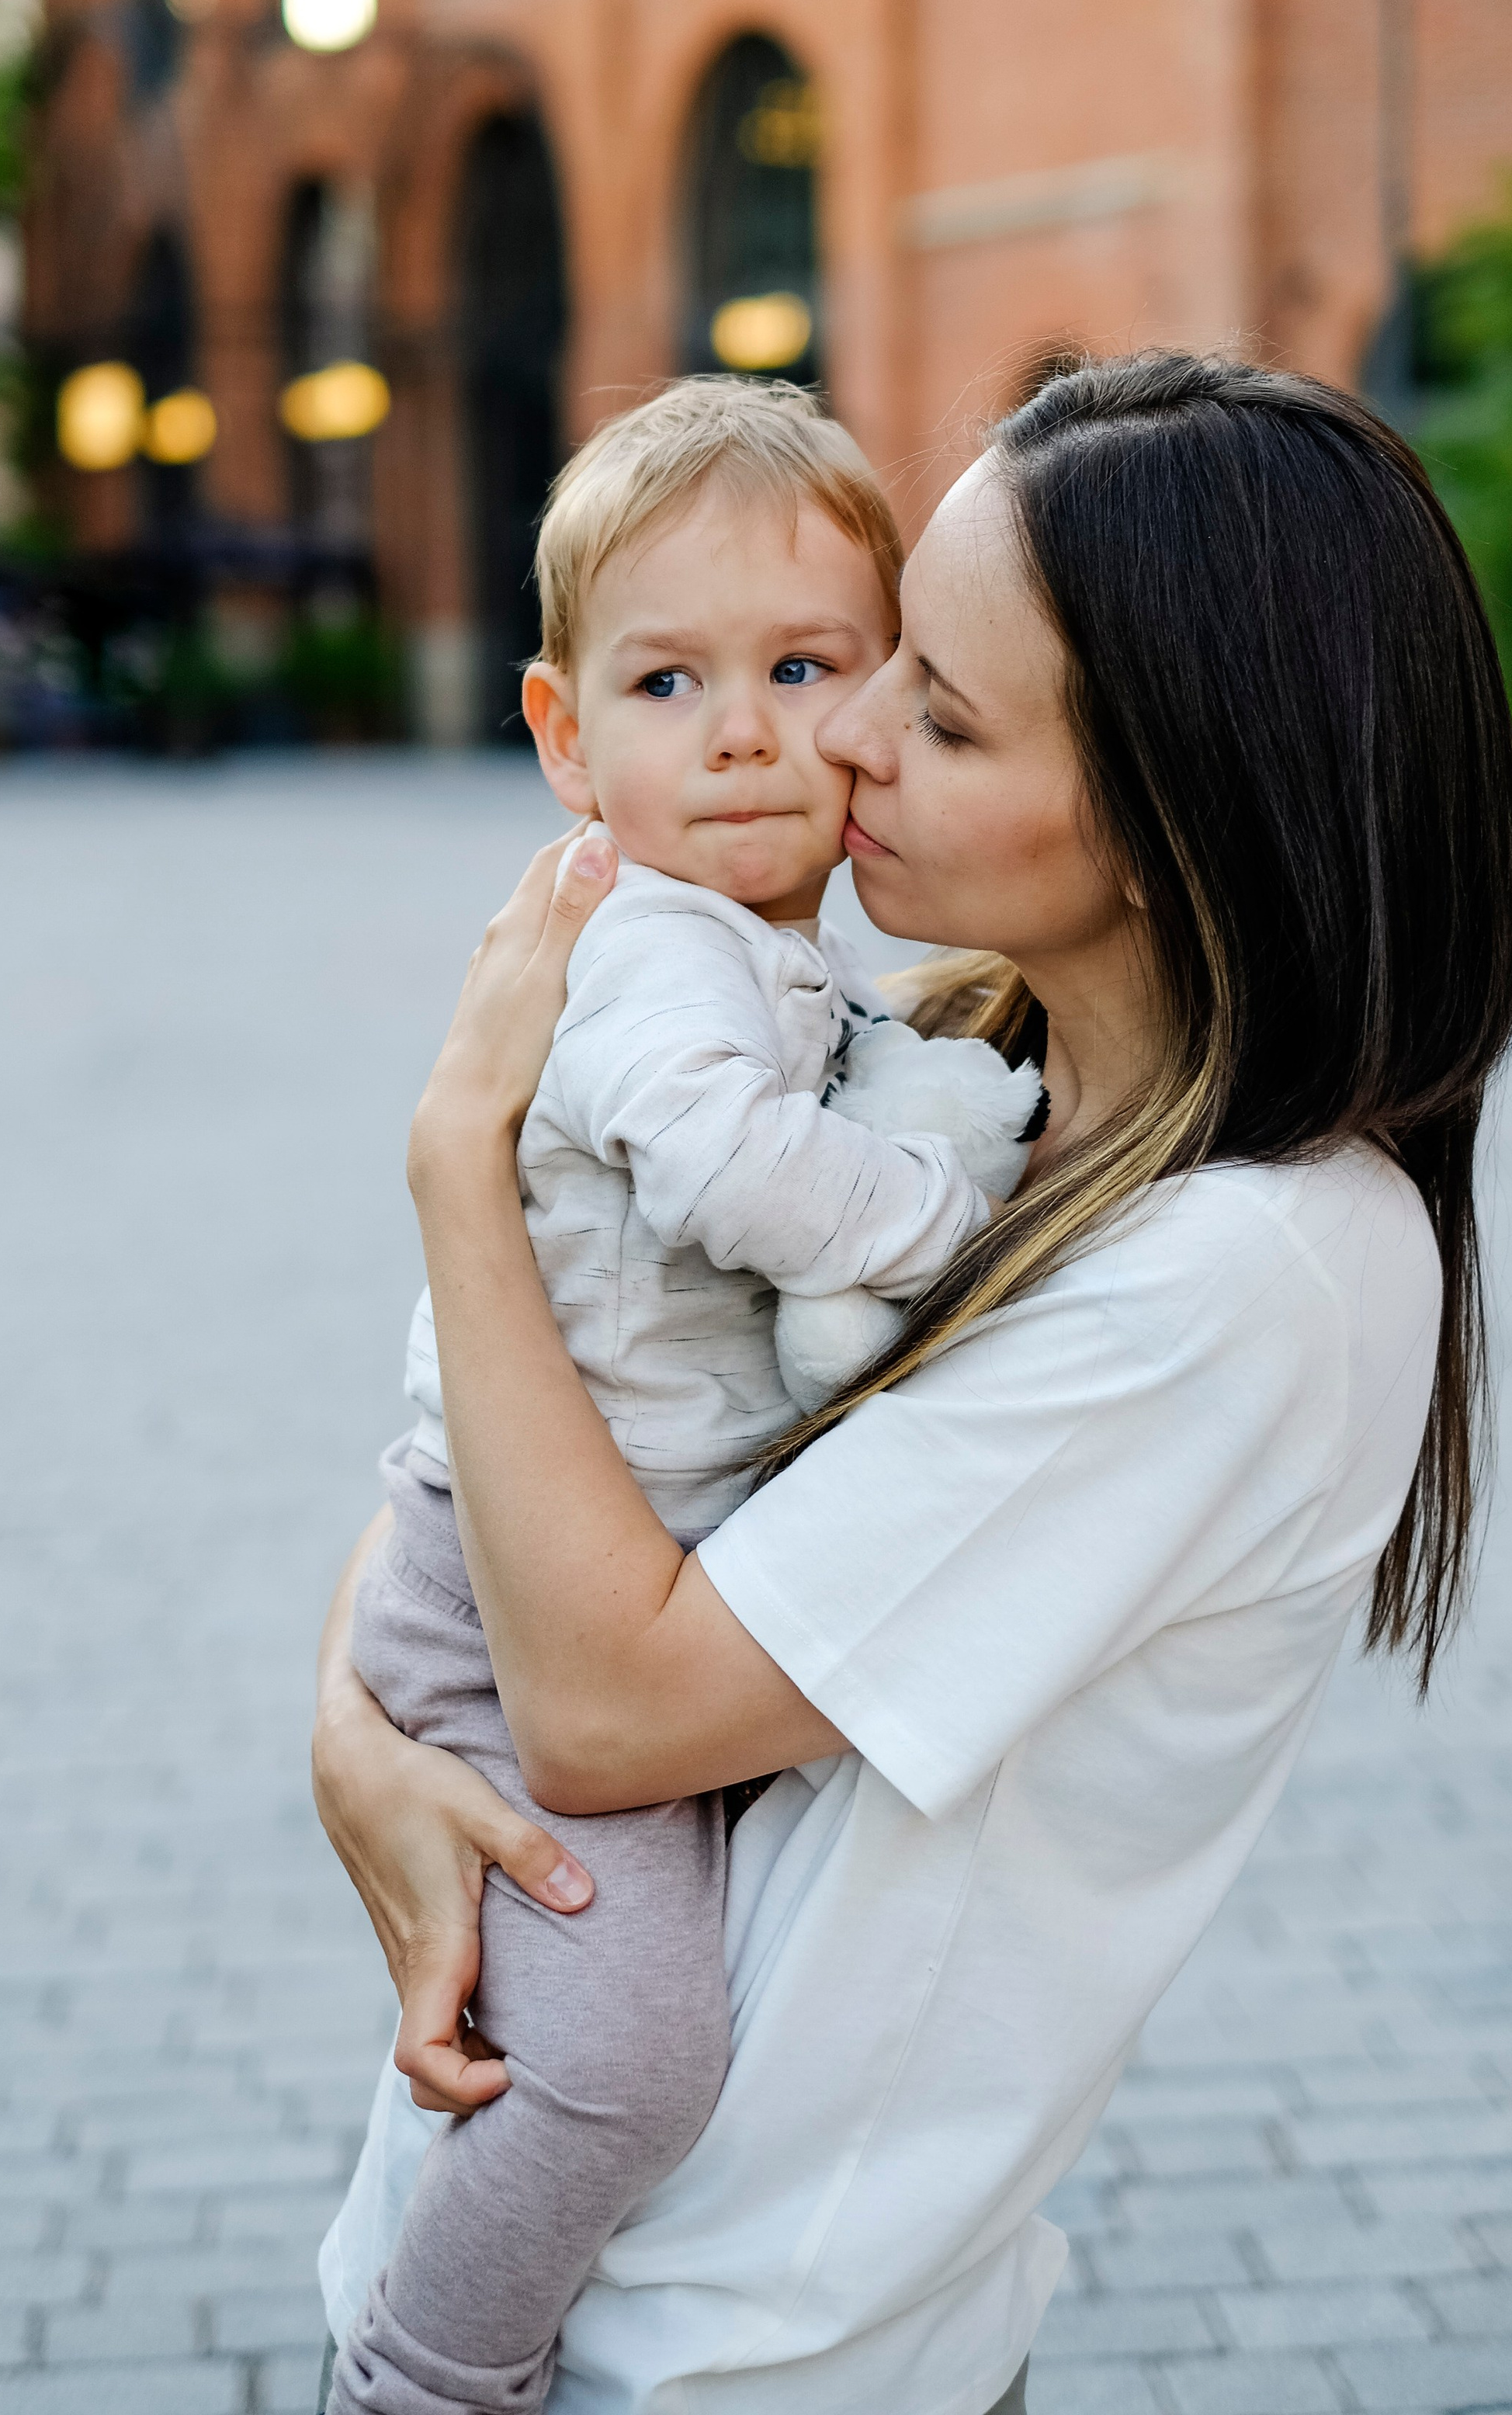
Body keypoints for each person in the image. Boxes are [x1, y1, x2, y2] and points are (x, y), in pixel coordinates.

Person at [312, 352, 1512, 2415]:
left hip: (743, 2350)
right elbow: (531, 1451)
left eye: (931, 704)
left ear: (1175, 817)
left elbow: (602, 1705)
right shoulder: (959, 1053)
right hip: (561, 2257)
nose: (837, 736)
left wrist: (456, 1167)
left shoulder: (1258, 1273)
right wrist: (349, 1719)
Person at [335, 377, 1039, 2413]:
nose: (740, 726)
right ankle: (423, 2370)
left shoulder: (778, 949)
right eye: (668, 678)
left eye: (802, 664)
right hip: (517, 1589)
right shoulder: (653, 957)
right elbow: (737, 1171)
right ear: (565, 735)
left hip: (616, 1545)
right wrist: (933, 1215)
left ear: (887, 693)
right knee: (632, 2056)